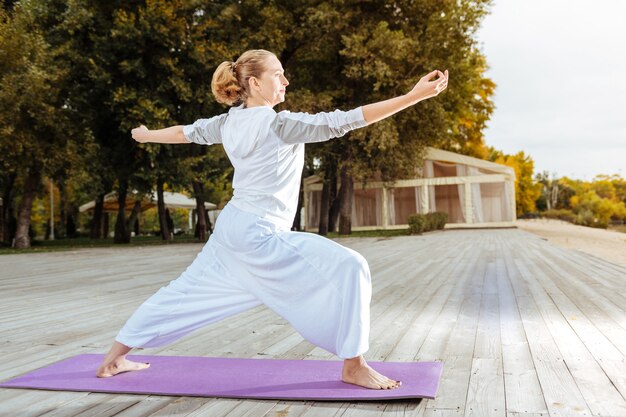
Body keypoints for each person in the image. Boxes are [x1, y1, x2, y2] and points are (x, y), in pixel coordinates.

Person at [96, 49, 448, 390]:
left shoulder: (227, 122)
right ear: (253, 83)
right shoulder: (281, 125)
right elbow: (348, 119)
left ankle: (114, 358)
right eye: (277, 74)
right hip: (259, 233)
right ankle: (354, 367)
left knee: (181, 294)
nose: (286, 81)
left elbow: (183, 133)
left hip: (231, 231)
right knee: (351, 267)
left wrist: (146, 135)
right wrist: (412, 96)